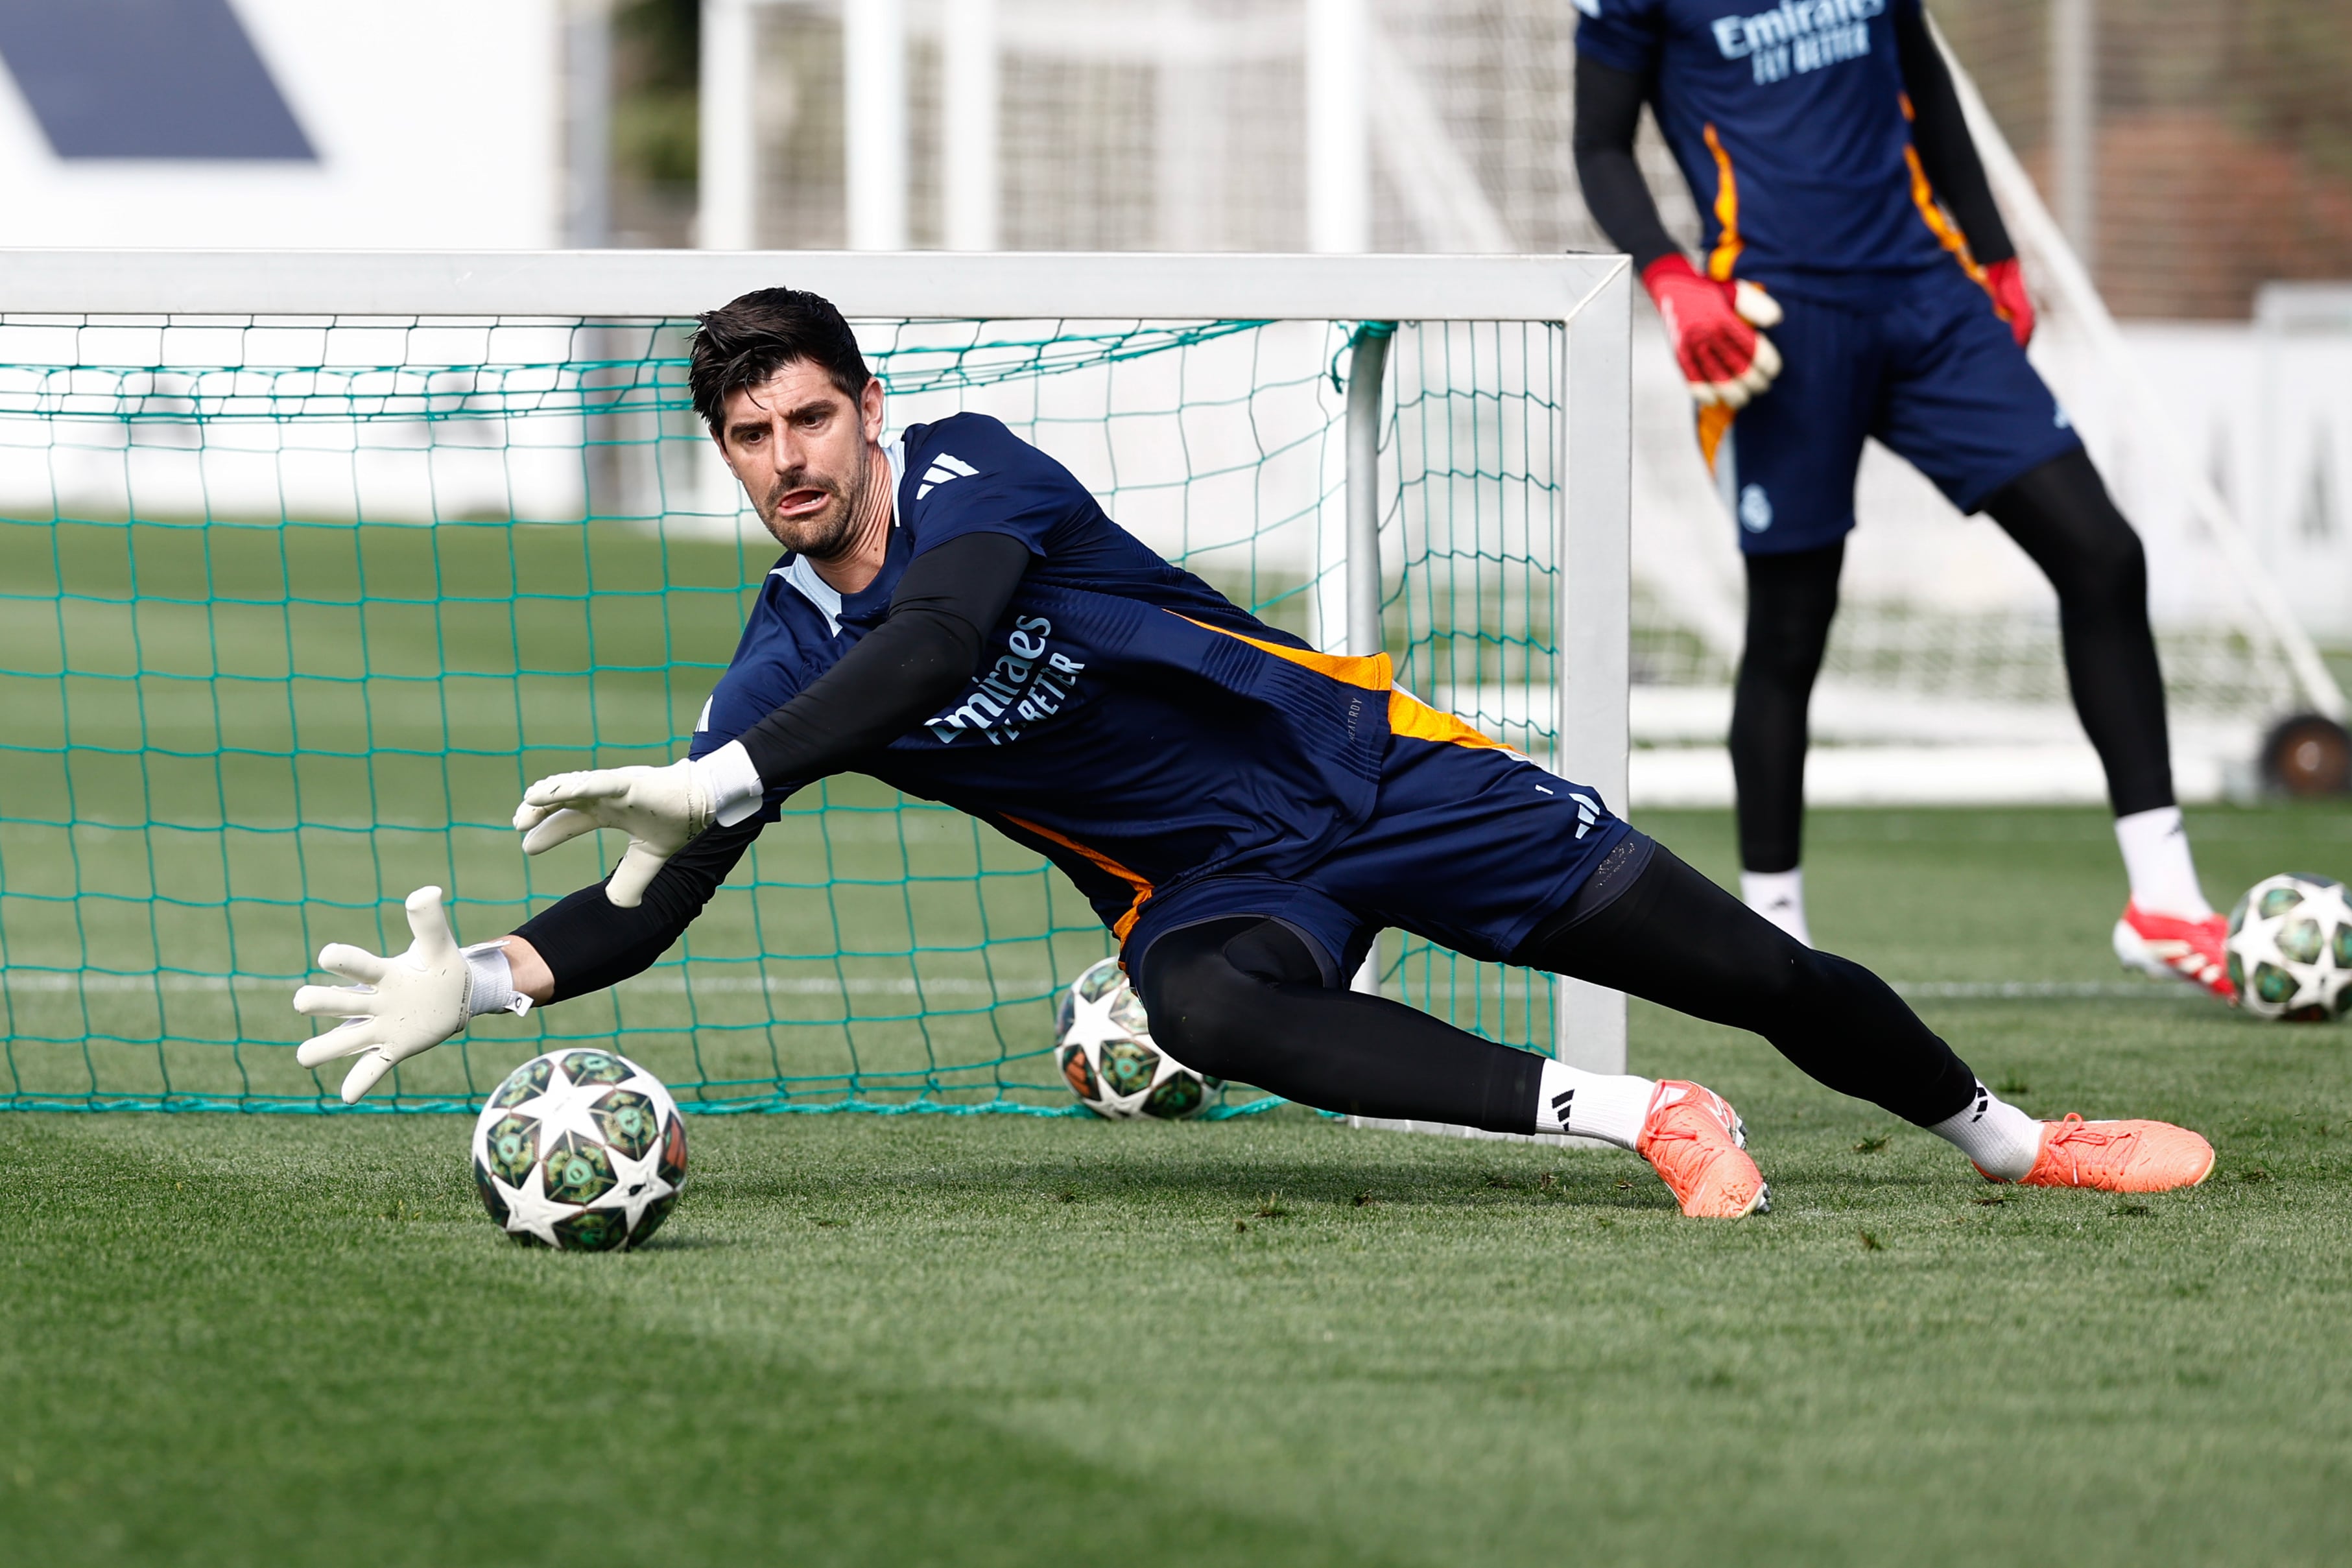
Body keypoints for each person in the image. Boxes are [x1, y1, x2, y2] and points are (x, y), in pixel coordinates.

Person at [290, 287, 2216, 1218]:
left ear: (867, 411)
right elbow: (646, 909)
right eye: (748, 439)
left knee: (1751, 970)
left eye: (808, 420)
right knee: (1196, 1002)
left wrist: (724, 775)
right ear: (724, 457)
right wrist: (483, 979)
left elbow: (937, 642)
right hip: (1217, 888)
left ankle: (2010, 1138)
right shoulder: (777, 661)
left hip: (1365, 768)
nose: (786, 460)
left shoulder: (974, 473)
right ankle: (1643, 1120)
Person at [1570, 0, 2232, 995]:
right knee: (1791, 628)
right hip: (1778, 322)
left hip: (1930, 299)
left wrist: (1994, 249)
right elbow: (1599, 144)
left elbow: (1925, 77)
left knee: (2102, 553)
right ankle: (1773, 939)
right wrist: (1671, 280)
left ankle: (2165, 899)